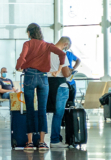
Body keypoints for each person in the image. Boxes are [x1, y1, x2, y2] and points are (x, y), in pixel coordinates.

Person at [15, 23, 65, 152]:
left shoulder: (28, 44)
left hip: (29, 76)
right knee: (42, 109)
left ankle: (30, 143)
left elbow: (22, 57)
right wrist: (60, 67)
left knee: (30, 109)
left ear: (29, 33)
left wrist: (18, 66)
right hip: (43, 78)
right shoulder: (47, 45)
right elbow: (62, 54)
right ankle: (42, 142)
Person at [47, 37, 72, 149]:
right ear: (65, 44)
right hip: (60, 85)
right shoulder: (61, 54)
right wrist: (71, 71)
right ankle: (55, 140)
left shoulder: (47, 51)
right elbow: (66, 73)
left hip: (49, 84)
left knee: (51, 111)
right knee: (59, 113)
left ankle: (48, 139)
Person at [64, 41, 82, 106]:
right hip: (63, 81)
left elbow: (78, 60)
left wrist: (73, 68)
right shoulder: (59, 54)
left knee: (71, 102)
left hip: (71, 81)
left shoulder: (69, 54)